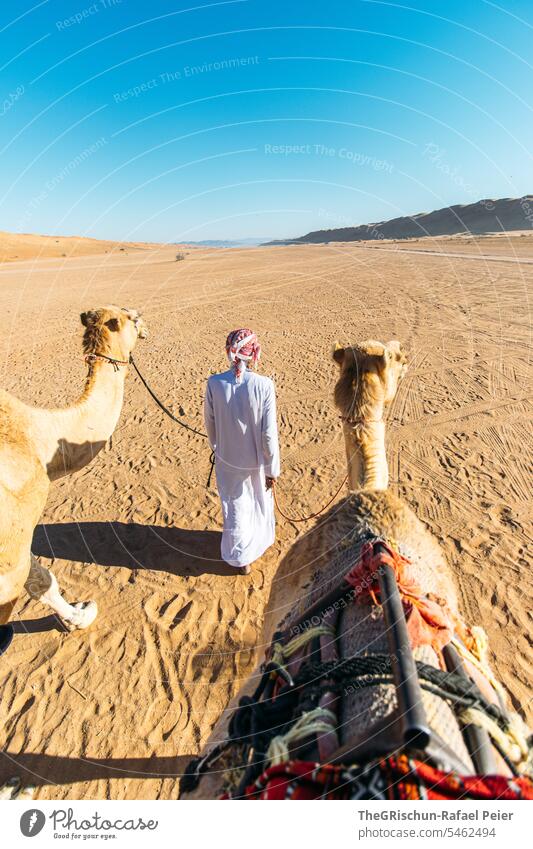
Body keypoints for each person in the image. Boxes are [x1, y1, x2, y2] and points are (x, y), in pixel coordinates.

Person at [204, 329, 280, 574]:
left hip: (227, 460)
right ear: (254, 352)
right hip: (255, 461)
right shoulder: (264, 385)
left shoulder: (214, 383)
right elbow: (269, 435)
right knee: (256, 501)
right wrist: (272, 469)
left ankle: (241, 557)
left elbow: (210, 423)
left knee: (235, 506)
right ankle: (249, 551)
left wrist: (219, 447)